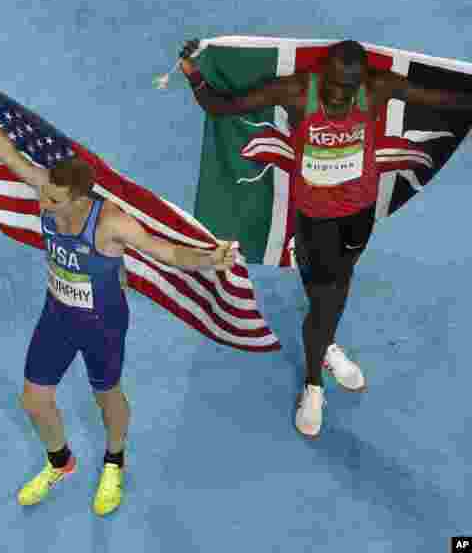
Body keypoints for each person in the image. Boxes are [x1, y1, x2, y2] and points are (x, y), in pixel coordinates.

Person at [0, 67, 239, 516]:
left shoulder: (111, 223)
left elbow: (166, 252)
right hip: (57, 313)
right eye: (45, 194)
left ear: (81, 198)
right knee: (34, 399)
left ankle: (114, 460)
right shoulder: (49, 188)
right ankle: (60, 462)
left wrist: (210, 259)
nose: (43, 204)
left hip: (103, 322)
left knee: (107, 395)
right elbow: (2, 148)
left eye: (54, 201)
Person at [177, 38, 472, 438]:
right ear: (322, 75)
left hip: (359, 212)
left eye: (346, 90)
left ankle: (326, 345)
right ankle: (314, 384)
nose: (337, 97)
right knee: (324, 298)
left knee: (337, 286)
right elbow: (221, 106)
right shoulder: (298, 91)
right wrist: (194, 74)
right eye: (332, 86)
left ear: (361, 82)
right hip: (314, 217)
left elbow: (445, 99)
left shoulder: (377, 89)